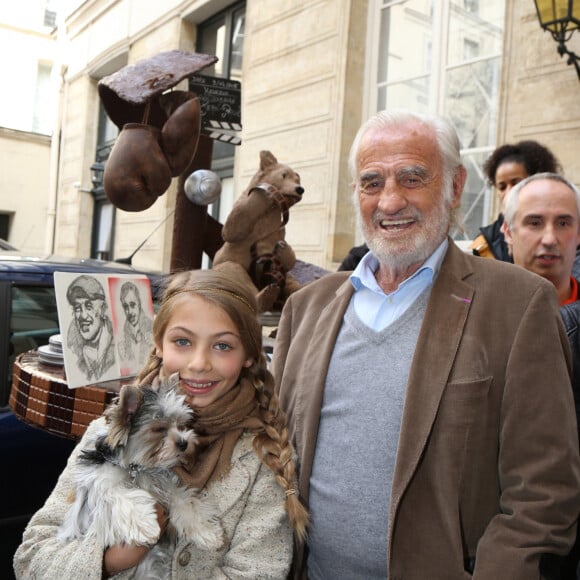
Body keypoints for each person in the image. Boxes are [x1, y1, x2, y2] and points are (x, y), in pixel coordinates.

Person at [272, 109, 580, 579]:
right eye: (372, 183)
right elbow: (272, 457)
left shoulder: (519, 305)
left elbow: (544, 494)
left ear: (455, 187)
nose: (390, 202)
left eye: (412, 178)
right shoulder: (306, 310)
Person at [14, 269, 308, 579]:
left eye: (222, 346)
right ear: (158, 343)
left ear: (249, 354)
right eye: (182, 341)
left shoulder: (263, 456)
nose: (198, 363)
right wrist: (109, 560)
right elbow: (31, 559)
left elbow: (258, 572)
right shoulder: (102, 435)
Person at [503, 172, 580, 579]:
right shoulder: (471, 316)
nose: (549, 238)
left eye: (563, 223)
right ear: (507, 232)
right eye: (534, 222)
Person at [470, 139, 561, 261]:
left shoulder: (565, 229)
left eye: (516, 183)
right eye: (502, 187)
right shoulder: (484, 244)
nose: (509, 192)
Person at [66, 274, 116, 381]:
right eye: (78, 308)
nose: (83, 316)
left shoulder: (118, 349)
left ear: (102, 310)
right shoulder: (73, 351)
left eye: (89, 307)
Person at [117, 280, 153, 370]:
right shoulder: (124, 332)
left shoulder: (150, 326)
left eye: (132, 305)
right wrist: (123, 358)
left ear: (139, 304)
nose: (129, 312)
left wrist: (155, 346)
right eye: (126, 307)